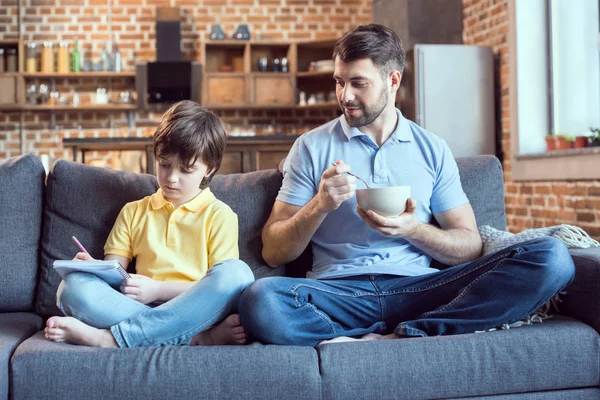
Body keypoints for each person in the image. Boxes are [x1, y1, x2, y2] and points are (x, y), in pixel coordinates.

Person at [238, 24, 575, 346]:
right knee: (261, 299)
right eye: (339, 82)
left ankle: (403, 335)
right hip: (339, 294)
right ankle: (396, 333)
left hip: (420, 290)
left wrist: (414, 230)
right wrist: (320, 205)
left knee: (552, 257)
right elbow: (273, 251)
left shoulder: (432, 148)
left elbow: (469, 246)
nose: (345, 95)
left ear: (393, 80)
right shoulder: (310, 147)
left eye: (358, 83)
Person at [45, 100, 255, 348]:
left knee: (238, 274)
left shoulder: (220, 215)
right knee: (72, 288)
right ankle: (194, 340)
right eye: (164, 164)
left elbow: (220, 288)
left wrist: (159, 289)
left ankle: (110, 339)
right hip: (135, 305)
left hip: (194, 311)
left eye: (186, 170)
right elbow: (115, 274)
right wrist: (94, 269)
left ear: (209, 168)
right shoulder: (133, 212)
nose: (171, 178)